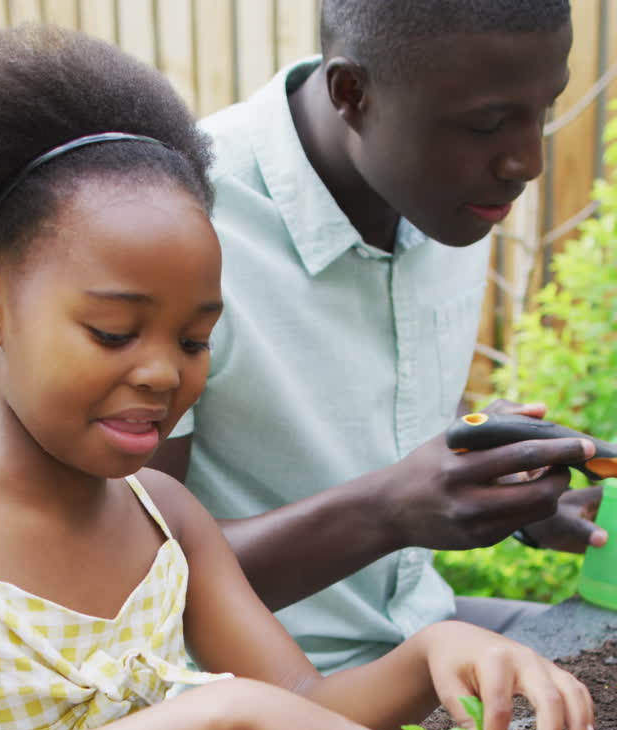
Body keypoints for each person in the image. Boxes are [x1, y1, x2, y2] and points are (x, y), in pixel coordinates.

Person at [0, 24, 593, 730]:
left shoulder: (165, 518)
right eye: (111, 331)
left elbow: (304, 702)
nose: (162, 374)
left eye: (194, 340)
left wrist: (436, 652)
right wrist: (221, 715)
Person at [153, 0, 603, 679]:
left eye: (542, 110)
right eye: (486, 123)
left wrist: (501, 482)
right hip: (237, 708)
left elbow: (350, 413)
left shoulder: (447, 191)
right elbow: (132, 580)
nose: (527, 161)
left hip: (427, 638)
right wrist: (389, 510)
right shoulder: (179, 227)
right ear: (352, 94)